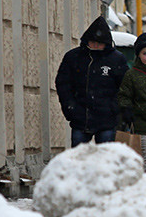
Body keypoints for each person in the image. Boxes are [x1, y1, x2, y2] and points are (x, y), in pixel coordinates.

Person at [55, 16, 129, 146]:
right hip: (81, 118)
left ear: (106, 43)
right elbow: (63, 85)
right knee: (79, 159)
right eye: (92, 42)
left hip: (107, 119)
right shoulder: (74, 58)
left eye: (99, 42)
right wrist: (70, 108)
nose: (95, 45)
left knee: (106, 158)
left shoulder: (116, 59)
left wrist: (114, 109)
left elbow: (125, 87)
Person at [117, 33, 146, 177]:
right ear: (138, 55)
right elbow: (124, 96)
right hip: (143, 125)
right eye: (145, 53)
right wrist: (129, 111)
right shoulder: (132, 75)